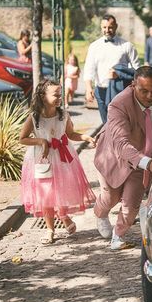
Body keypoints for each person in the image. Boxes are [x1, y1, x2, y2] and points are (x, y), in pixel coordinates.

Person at [93, 66, 152, 250]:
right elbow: (122, 144)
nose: (150, 96)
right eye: (144, 91)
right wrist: (150, 163)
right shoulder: (118, 104)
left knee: (131, 203)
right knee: (110, 198)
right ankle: (100, 213)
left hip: (145, 158)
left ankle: (118, 235)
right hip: (114, 156)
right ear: (133, 85)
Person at [19, 79, 96, 245]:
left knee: (60, 191)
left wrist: (85, 137)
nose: (59, 97)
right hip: (42, 160)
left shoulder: (63, 115)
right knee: (45, 194)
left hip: (62, 159)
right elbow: (22, 139)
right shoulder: (34, 118)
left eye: (60, 94)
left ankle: (64, 215)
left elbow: (70, 134)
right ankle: (49, 229)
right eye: (55, 94)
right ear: (42, 96)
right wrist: (41, 141)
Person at [84, 14, 140, 124]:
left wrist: (119, 75)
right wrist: (88, 88)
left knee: (119, 123)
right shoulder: (94, 46)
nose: (107, 30)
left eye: (110, 27)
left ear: (116, 26)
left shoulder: (127, 46)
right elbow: (89, 68)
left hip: (119, 91)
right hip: (100, 91)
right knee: (106, 124)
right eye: (104, 27)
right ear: (101, 27)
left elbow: (138, 71)